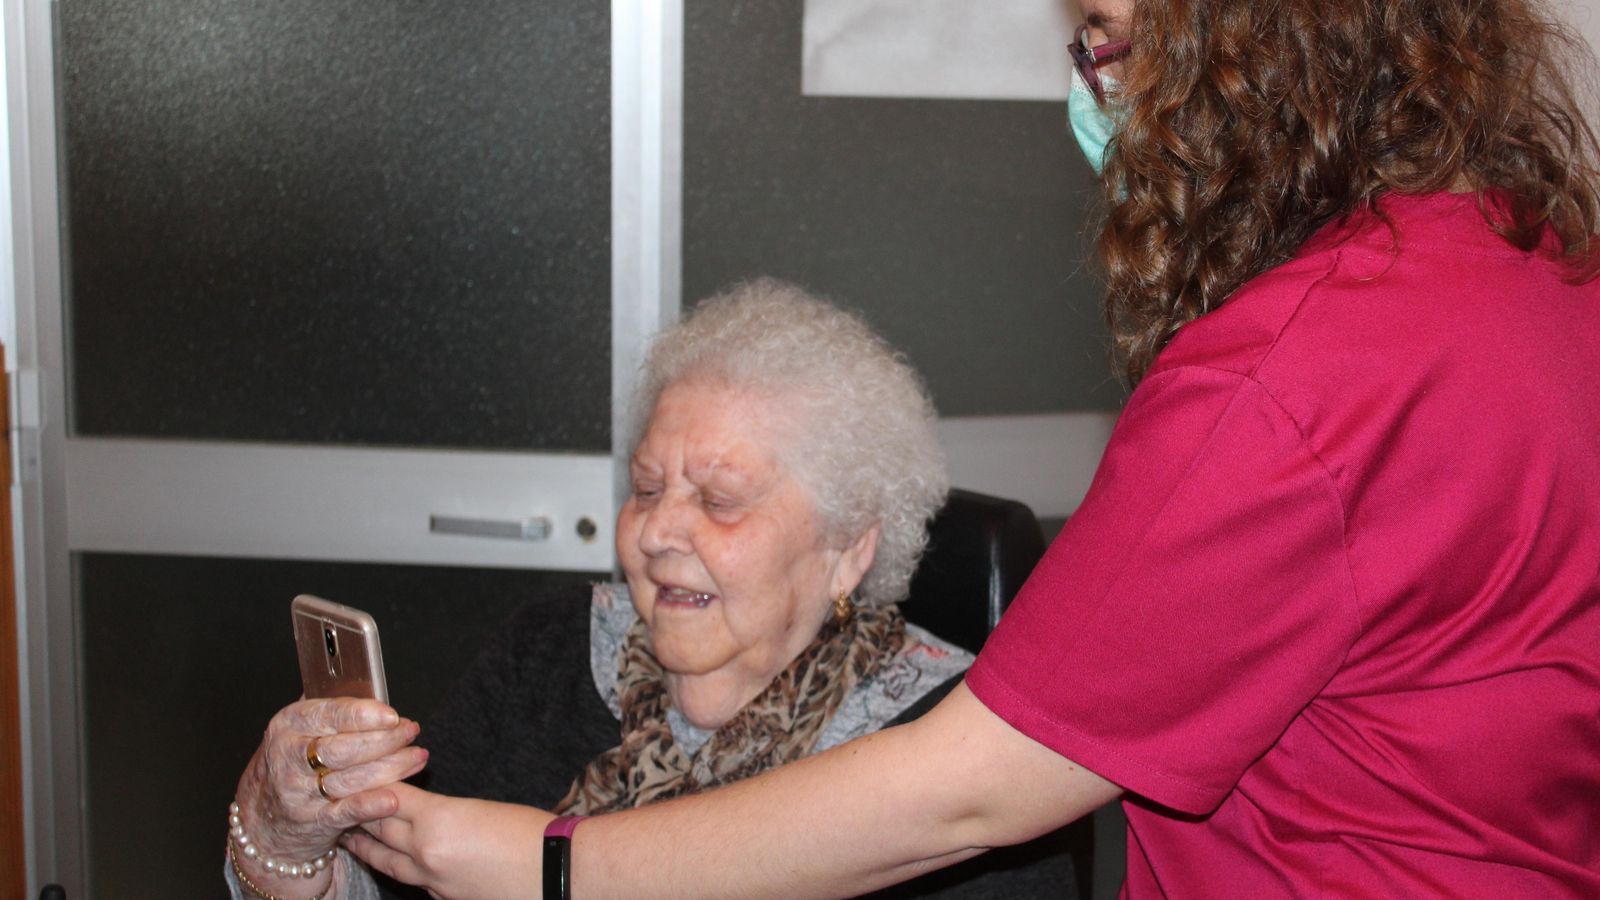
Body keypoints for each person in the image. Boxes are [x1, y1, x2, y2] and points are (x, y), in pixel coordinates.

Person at [327, 0, 1600, 897]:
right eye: (649, 485)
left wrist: (552, 866)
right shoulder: (1535, 277)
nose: (1091, 89)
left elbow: (968, 791)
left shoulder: (1288, 380)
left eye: (1107, 40)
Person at [225, 280, 1080, 900]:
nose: (656, 532)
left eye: (719, 500)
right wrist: (279, 834)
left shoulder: (958, 752)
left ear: (848, 546)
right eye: (645, 488)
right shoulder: (550, 654)